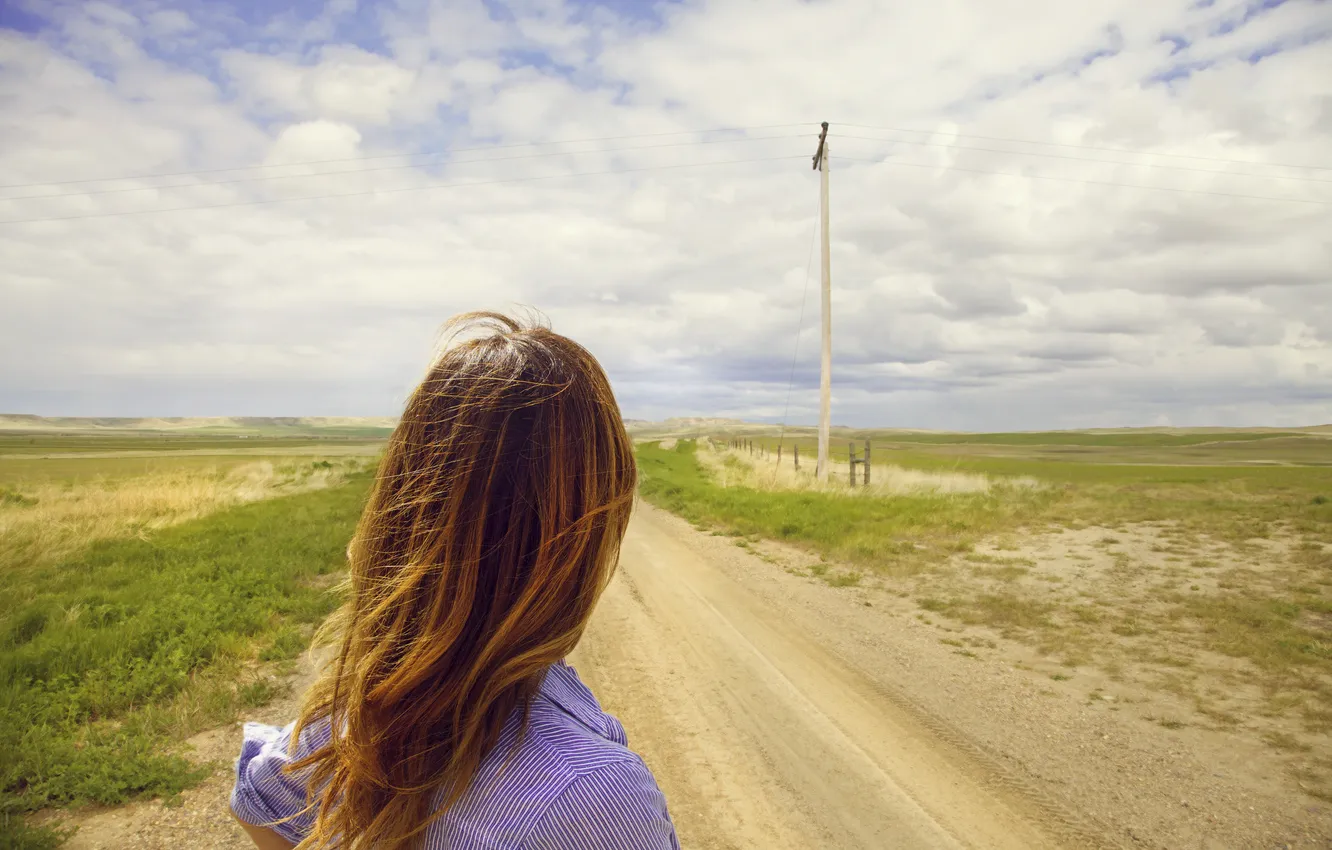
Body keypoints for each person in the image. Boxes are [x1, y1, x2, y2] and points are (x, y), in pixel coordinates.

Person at [230, 312, 678, 850]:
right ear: (585, 538)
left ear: (401, 514)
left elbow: (258, 799)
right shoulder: (590, 796)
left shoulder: (359, 718)